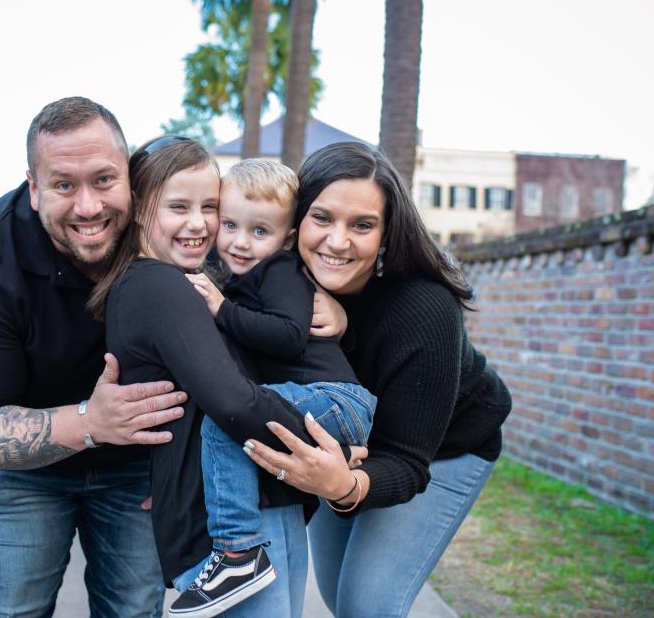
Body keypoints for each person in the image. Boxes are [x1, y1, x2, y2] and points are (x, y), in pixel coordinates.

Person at [0, 97, 188, 618]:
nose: (88, 206)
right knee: (12, 609)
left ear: (130, 176)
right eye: (64, 185)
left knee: (135, 610)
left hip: (134, 464)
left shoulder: (169, 234)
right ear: (33, 188)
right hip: (13, 472)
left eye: (103, 180)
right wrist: (93, 421)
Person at [243, 141, 512, 618]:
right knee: (335, 592)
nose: (338, 241)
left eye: (362, 225)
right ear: (296, 220)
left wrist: (346, 486)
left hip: (444, 447)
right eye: (322, 218)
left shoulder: (425, 309)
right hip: (348, 442)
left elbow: (409, 461)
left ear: (387, 234)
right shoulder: (274, 281)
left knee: (367, 606)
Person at [88, 137, 316, 618]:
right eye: (178, 207)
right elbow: (231, 400)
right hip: (231, 526)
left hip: (255, 499)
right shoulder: (158, 284)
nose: (198, 223)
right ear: (140, 210)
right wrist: (321, 443)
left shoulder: (190, 280)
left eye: (209, 207)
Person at [170, 159, 377, 617]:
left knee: (226, 422)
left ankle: (238, 554)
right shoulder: (244, 273)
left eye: (259, 231)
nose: (240, 241)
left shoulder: (281, 271)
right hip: (321, 404)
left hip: (336, 399)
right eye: (230, 225)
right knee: (236, 420)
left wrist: (222, 309)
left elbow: (288, 334)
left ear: (286, 238)